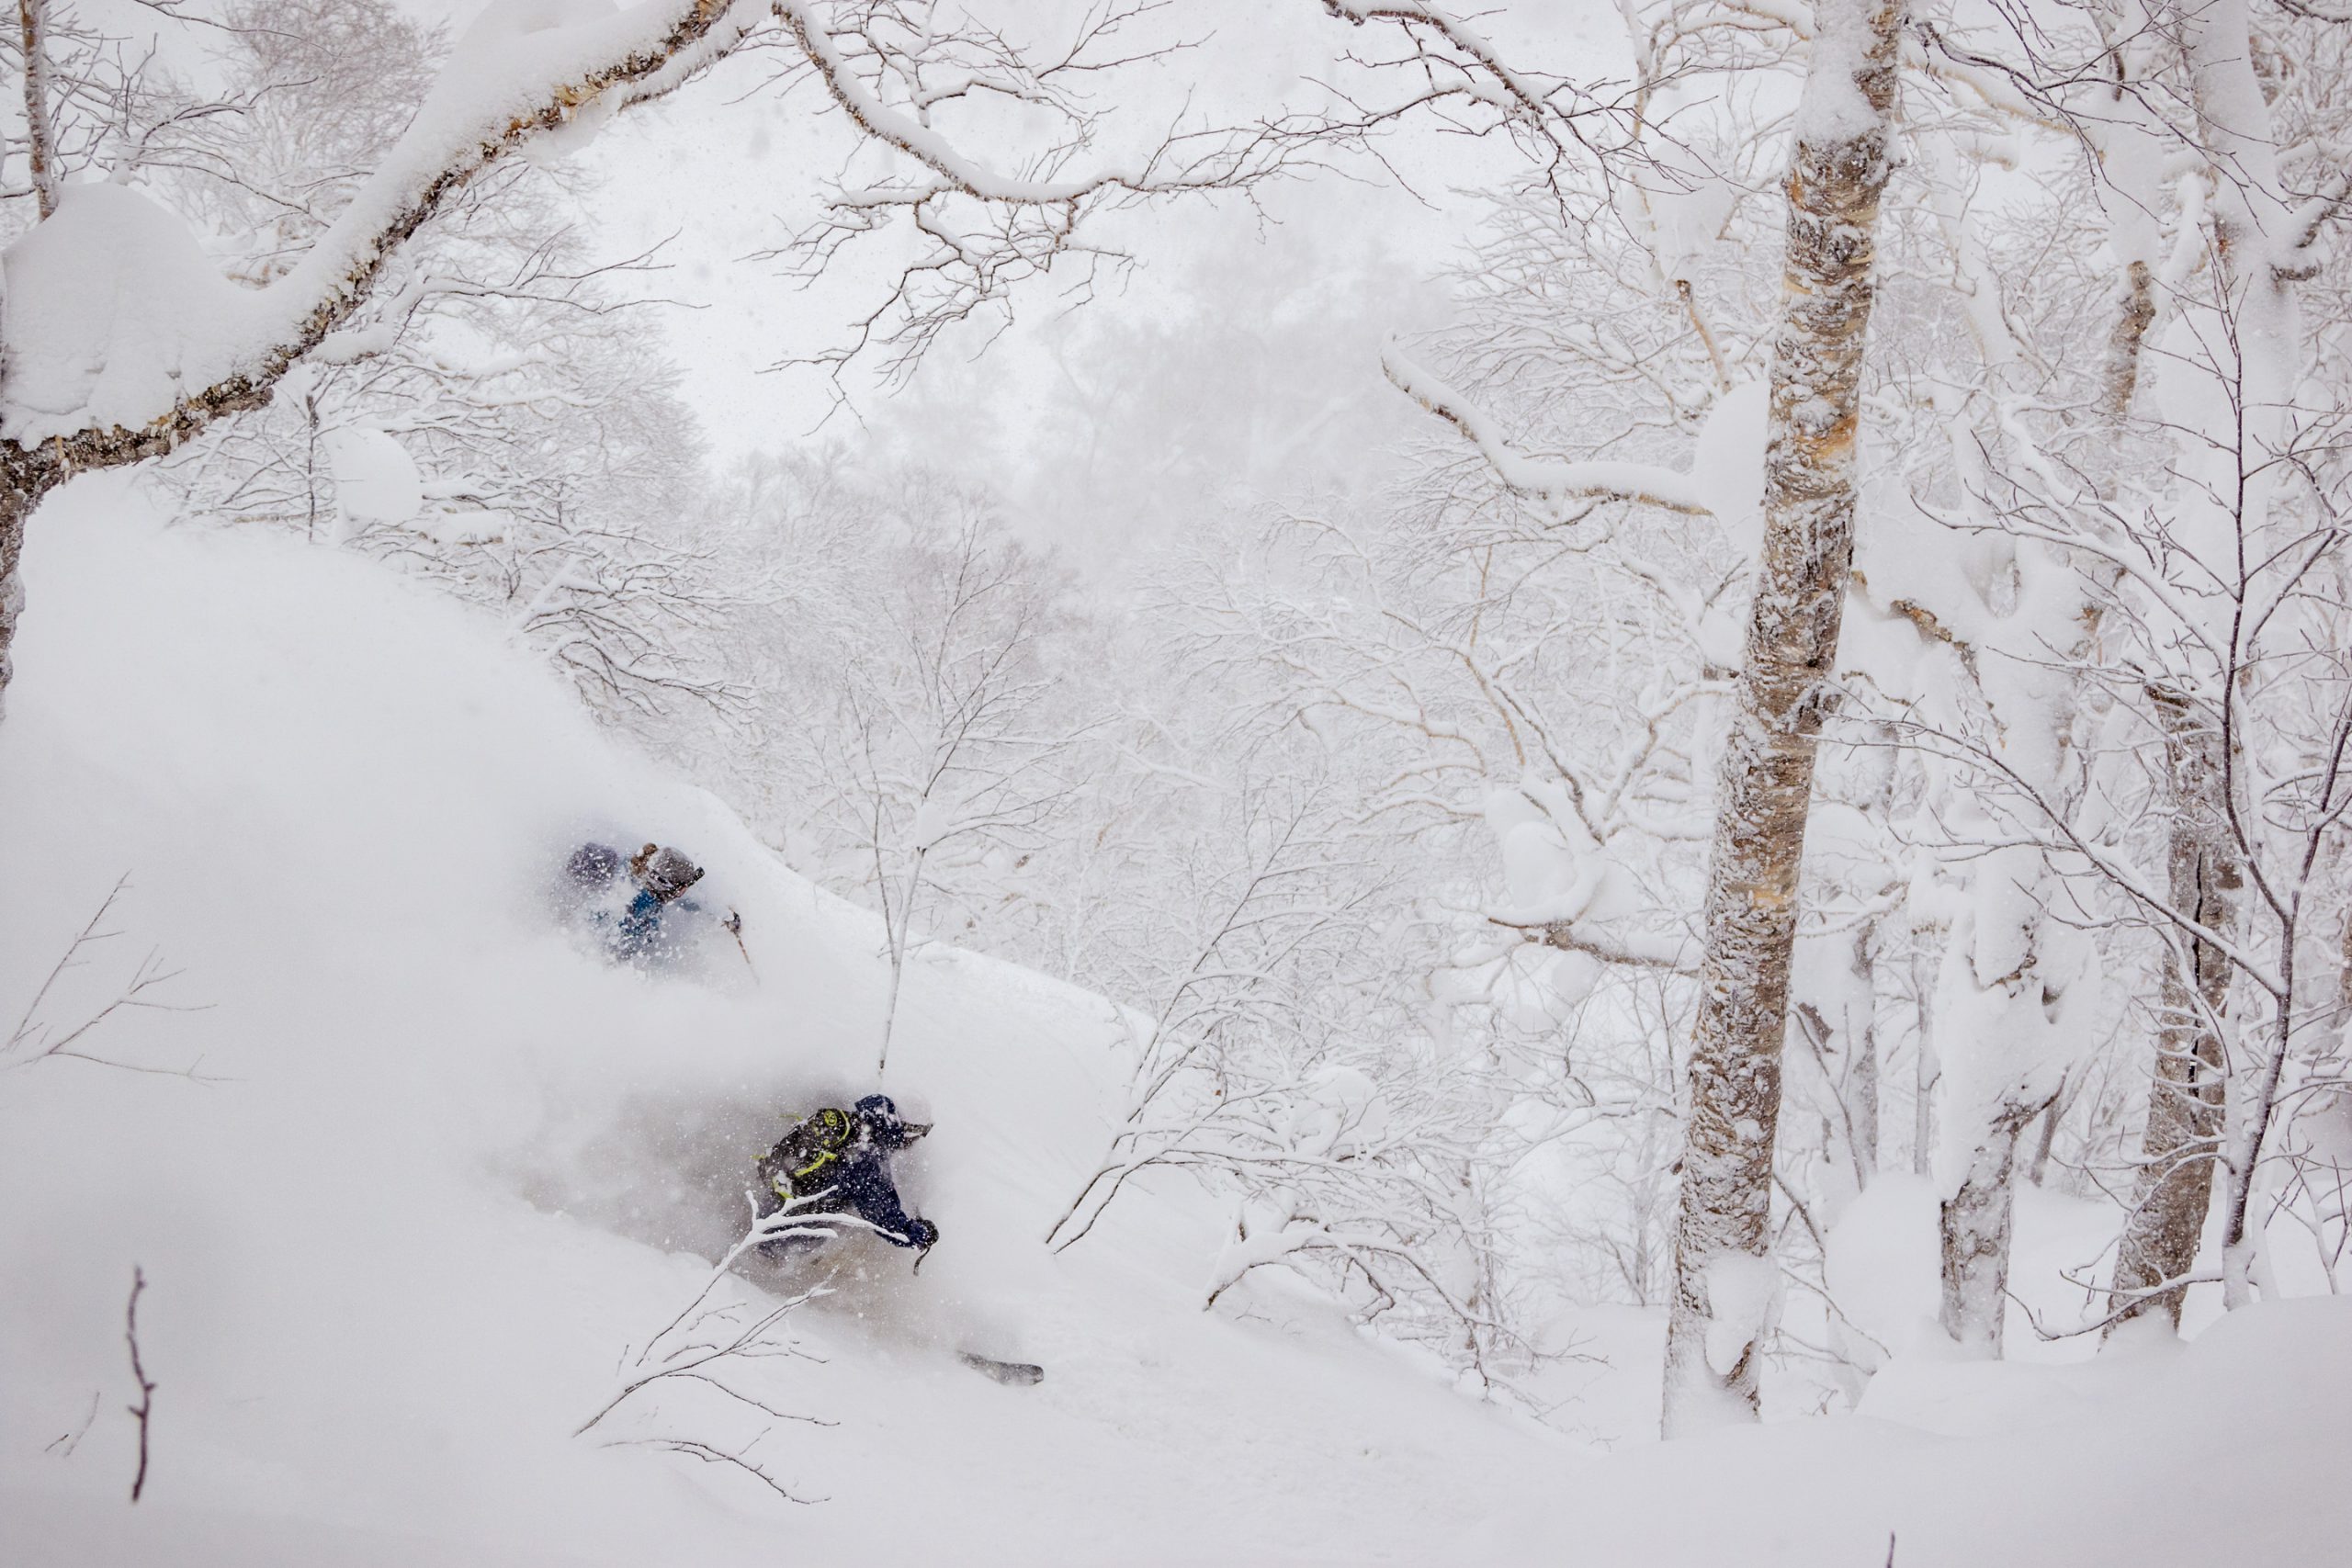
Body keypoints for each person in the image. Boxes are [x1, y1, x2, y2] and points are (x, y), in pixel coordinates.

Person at [754, 1095, 938, 1257]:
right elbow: (885, 1220)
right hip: (788, 1228)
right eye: (918, 1135)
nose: (913, 1142)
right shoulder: (868, 1162)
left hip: (779, 1197)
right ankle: (762, 1271)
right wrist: (919, 1235)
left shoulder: (848, 1122)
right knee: (836, 1228)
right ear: (905, 1128)